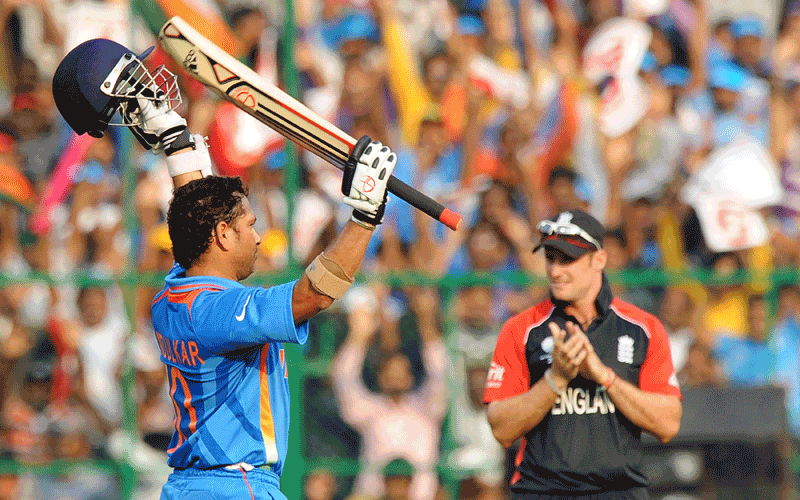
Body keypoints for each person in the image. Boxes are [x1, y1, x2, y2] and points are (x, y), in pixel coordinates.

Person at [51, 39, 399, 500]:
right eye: (250, 225)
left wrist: (178, 146)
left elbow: (197, 219)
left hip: (193, 487)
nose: (258, 237)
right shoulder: (218, 310)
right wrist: (365, 215)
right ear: (222, 235)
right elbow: (313, 295)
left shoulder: (176, 292)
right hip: (235, 486)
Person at [483, 209, 682, 499]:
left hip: (619, 492)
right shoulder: (521, 329)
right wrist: (556, 380)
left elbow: (668, 424)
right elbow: (501, 428)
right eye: (551, 258)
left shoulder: (643, 328)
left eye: (568, 259)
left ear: (598, 259)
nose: (555, 270)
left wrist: (603, 376)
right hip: (542, 491)